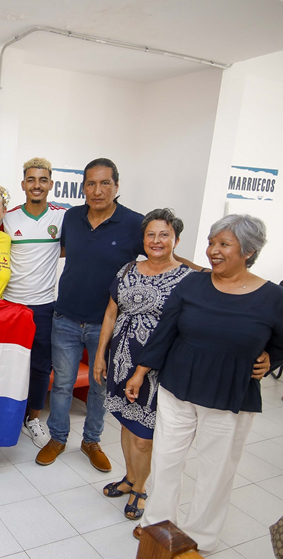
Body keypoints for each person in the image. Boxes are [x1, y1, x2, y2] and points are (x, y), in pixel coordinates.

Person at [125, 214, 283, 550]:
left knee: (215, 472)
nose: (213, 251)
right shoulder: (192, 284)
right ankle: (156, 526)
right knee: (166, 462)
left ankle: (200, 539)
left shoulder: (273, 297)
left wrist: (269, 359)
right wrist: (140, 372)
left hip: (229, 395)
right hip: (178, 388)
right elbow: (165, 333)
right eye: (211, 243)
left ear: (248, 251)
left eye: (224, 244)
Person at [38, 158, 144, 471]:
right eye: (91, 184)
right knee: (62, 385)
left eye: (105, 183)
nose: (97, 190)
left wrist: (203, 274)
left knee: (100, 387)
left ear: (117, 186)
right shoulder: (71, 217)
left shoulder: (134, 223)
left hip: (107, 324)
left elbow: (162, 257)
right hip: (66, 318)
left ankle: (91, 440)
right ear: (83, 187)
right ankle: (57, 437)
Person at [93, 209, 193, 521]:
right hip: (121, 360)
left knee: (143, 435)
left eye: (164, 234)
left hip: (157, 366)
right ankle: (129, 478)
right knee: (124, 422)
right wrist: (100, 354)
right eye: (151, 234)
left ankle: (140, 489)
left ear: (176, 239)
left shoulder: (187, 279)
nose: (156, 240)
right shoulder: (127, 270)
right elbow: (111, 313)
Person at [2, 158, 66, 449]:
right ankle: (9, 415)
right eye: (31, 179)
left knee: (41, 366)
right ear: (23, 184)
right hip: (11, 305)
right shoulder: (9, 217)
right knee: (10, 364)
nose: (36, 185)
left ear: (50, 184)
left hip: (44, 306)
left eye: (42, 180)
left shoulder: (63, 217)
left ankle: (33, 418)